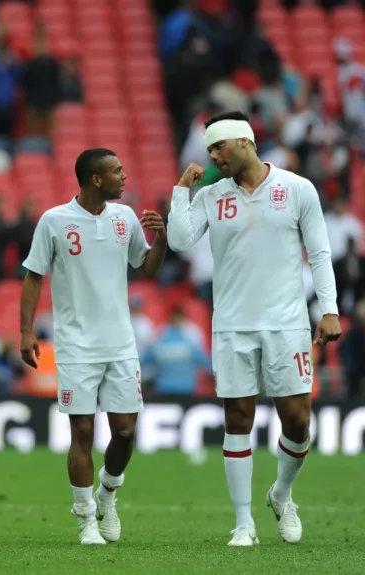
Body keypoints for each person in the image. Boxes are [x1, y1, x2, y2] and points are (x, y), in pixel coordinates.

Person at [166, 111, 342, 546]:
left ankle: (281, 493)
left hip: (286, 323)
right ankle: (244, 522)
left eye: (217, 147)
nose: (212, 156)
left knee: (298, 422)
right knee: (237, 419)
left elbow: (319, 252)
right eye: (208, 149)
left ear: (243, 141)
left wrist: (330, 309)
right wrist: (180, 191)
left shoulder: (297, 189)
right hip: (232, 324)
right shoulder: (210, 195)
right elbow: (179, 241)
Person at [19, 148, 167, 545]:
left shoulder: (125, 219)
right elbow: (34, 276)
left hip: (120, 344)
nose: (124, 175)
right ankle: (86, 519)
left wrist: (162, 238)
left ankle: (107, 492)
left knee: (124, 432)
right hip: (75, 345)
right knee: (82, 430)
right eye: (117, 171)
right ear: (95, 179)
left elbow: (147, 268)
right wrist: (26, 331)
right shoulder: (54, 221)